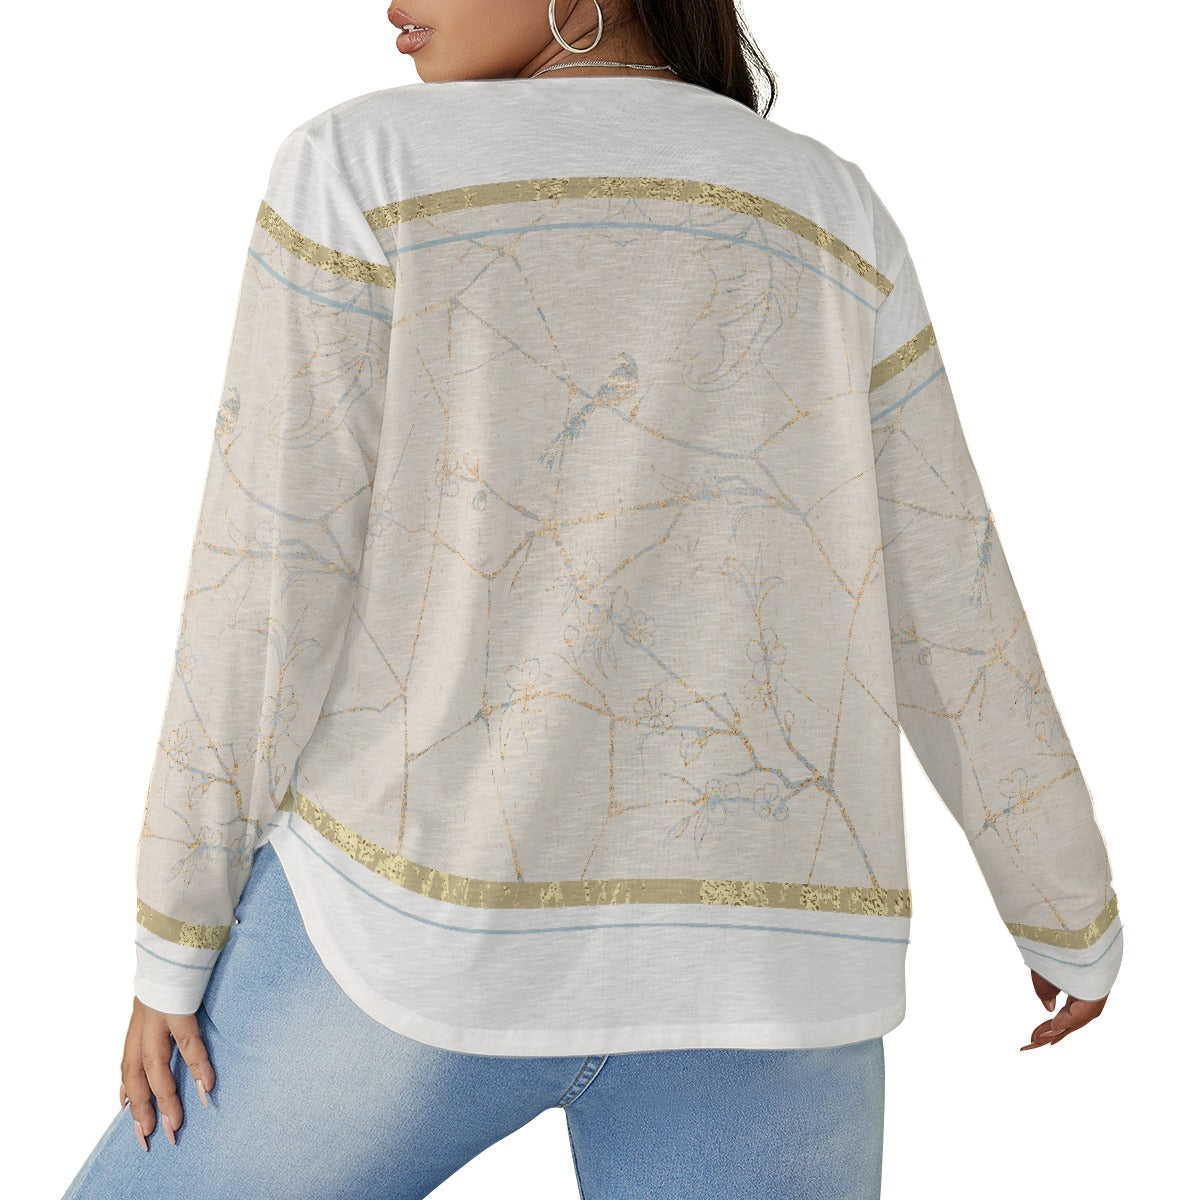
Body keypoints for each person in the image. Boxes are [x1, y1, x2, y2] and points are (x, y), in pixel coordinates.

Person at [61, 2, 1123, 1197]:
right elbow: (949, 592)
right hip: (773, 980)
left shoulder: (365, 165)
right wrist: (1065, 907)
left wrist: (175, 935)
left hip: (414, 938)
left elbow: (265, 577)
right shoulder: (832, 208)